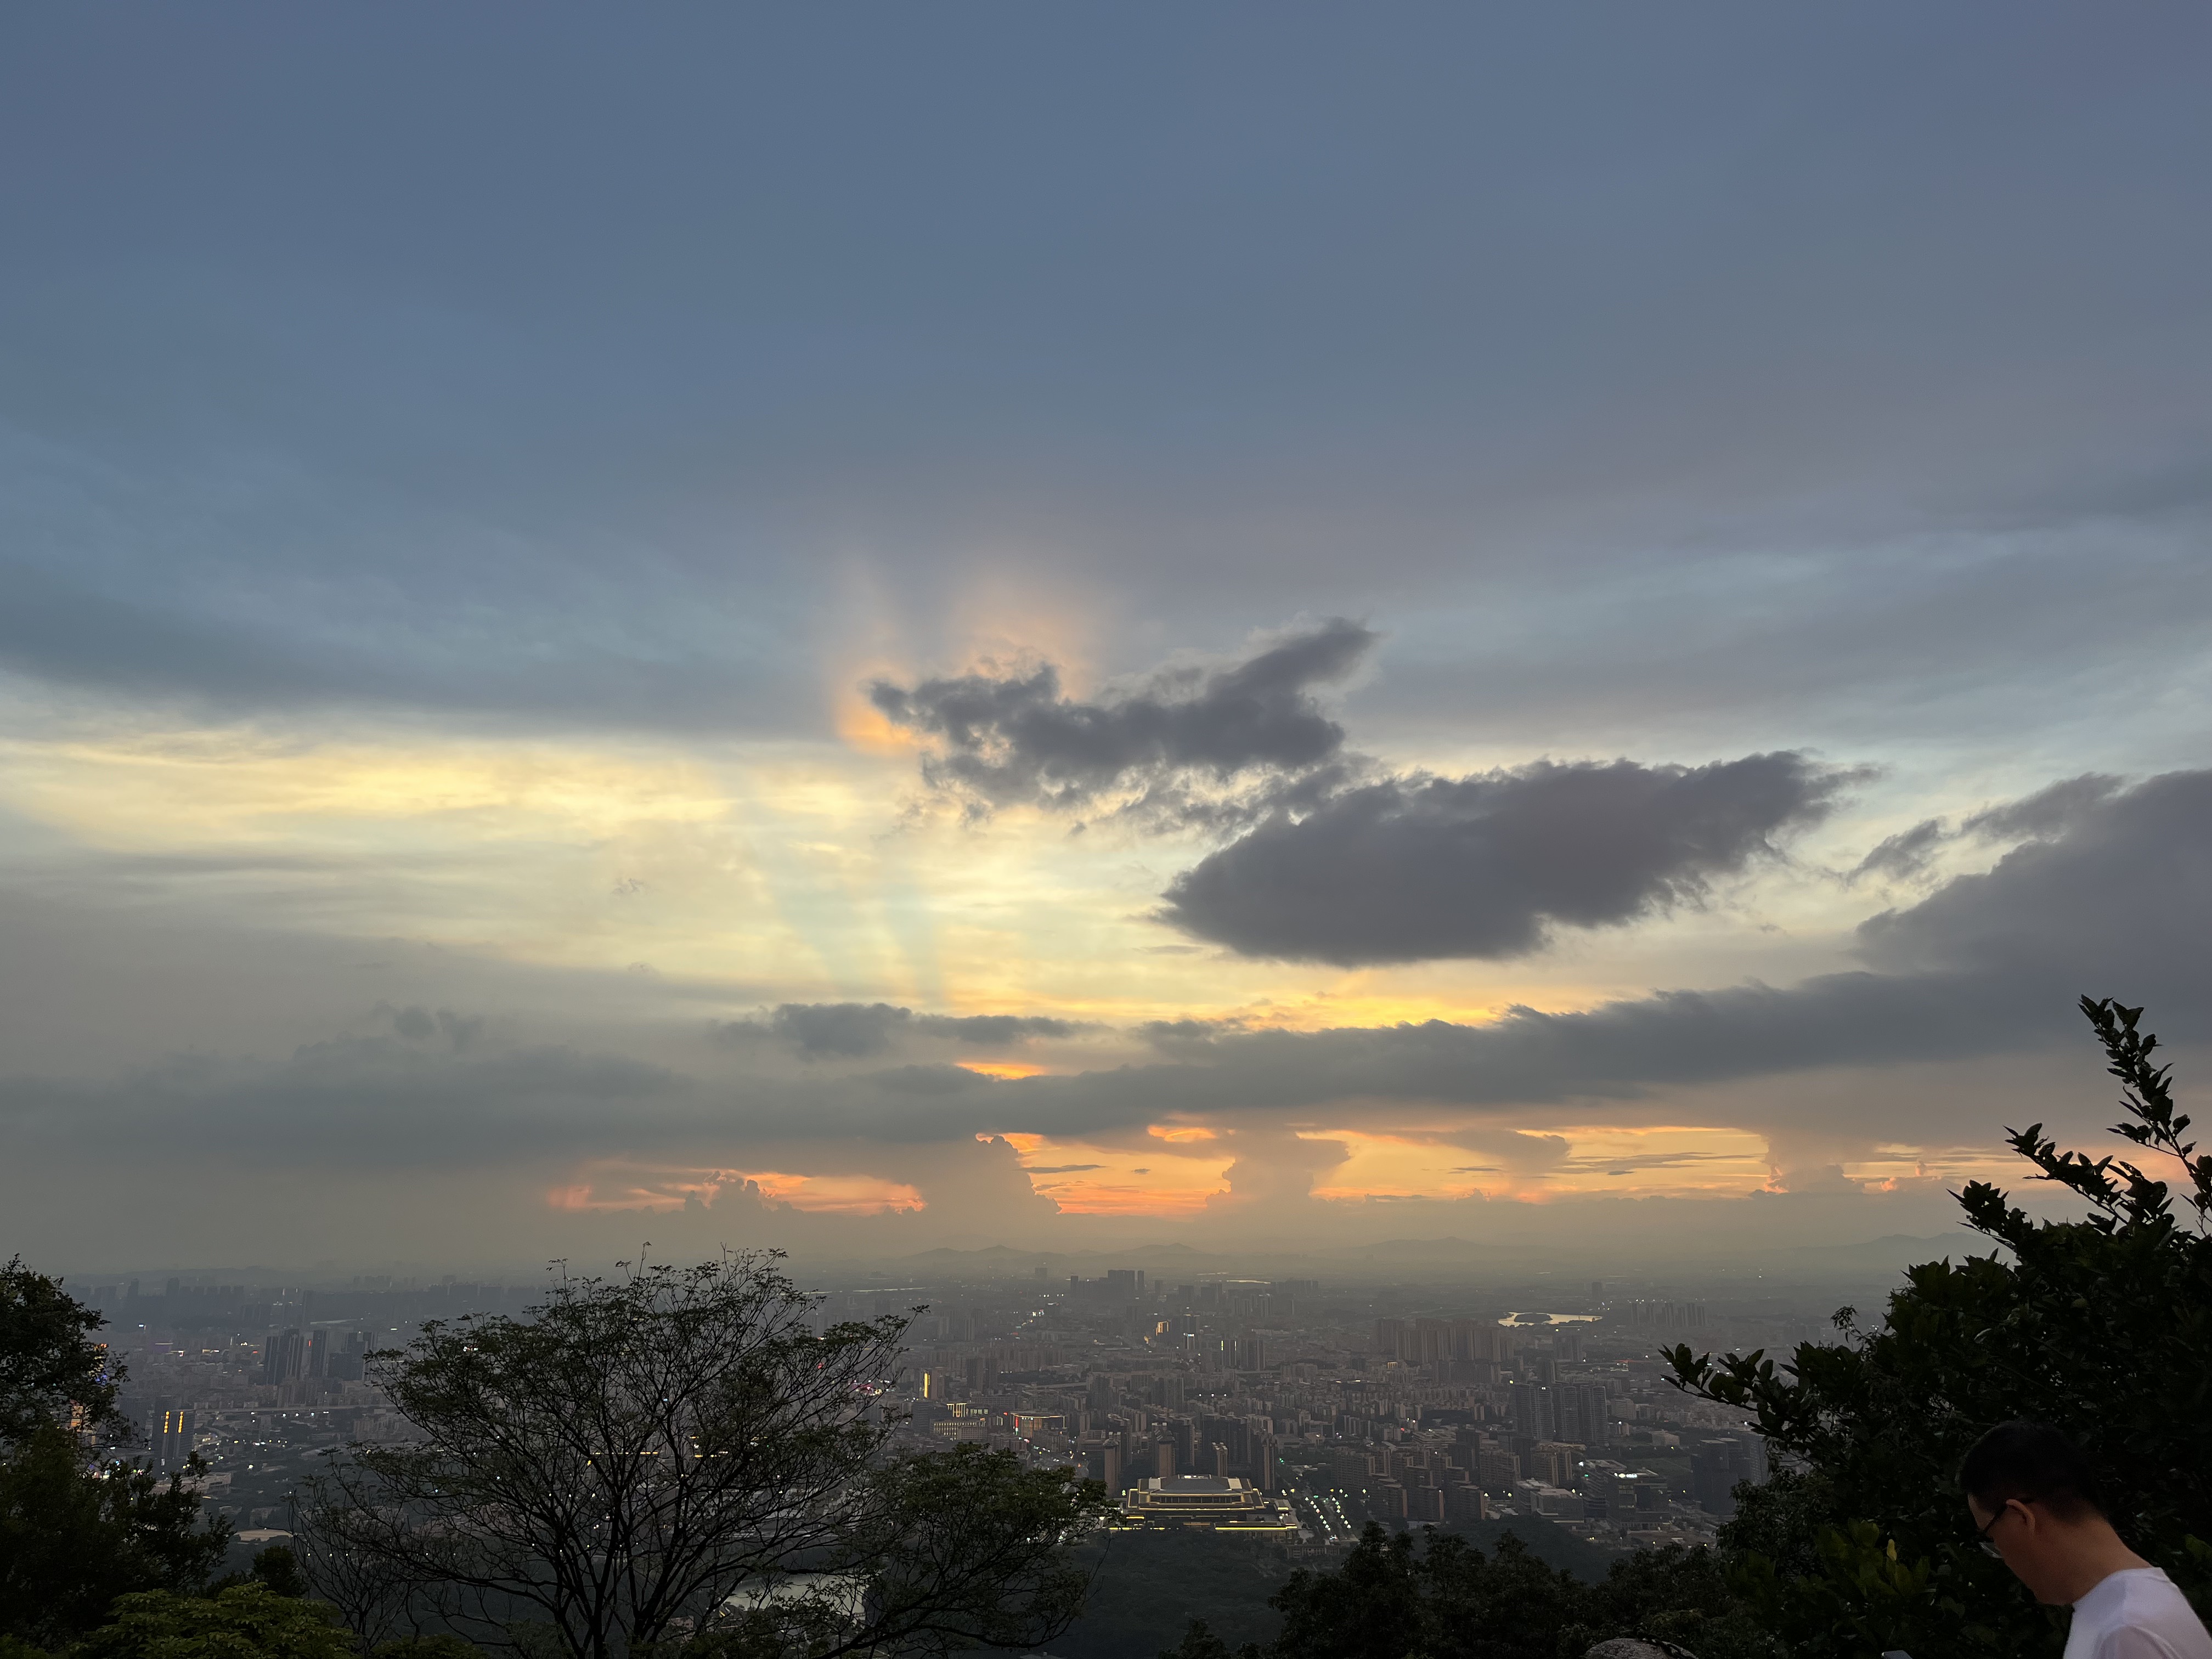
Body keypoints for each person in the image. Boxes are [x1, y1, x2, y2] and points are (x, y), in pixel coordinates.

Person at [1962, 1421, 2212, 1659]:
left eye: (1992, 1536)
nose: (2001, 1556)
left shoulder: (2126, 1631)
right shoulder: (2126, 1610)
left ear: (2022, 1518)